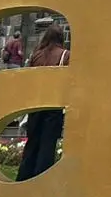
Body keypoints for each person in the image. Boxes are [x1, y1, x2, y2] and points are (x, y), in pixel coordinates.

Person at [16, 27, 70, 182]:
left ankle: (24, 177)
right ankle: (41, 179)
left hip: (36, 103)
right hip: (54, 104)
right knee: (48, 144)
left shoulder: (36, 55)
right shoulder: (65, 55)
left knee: (32, 143)